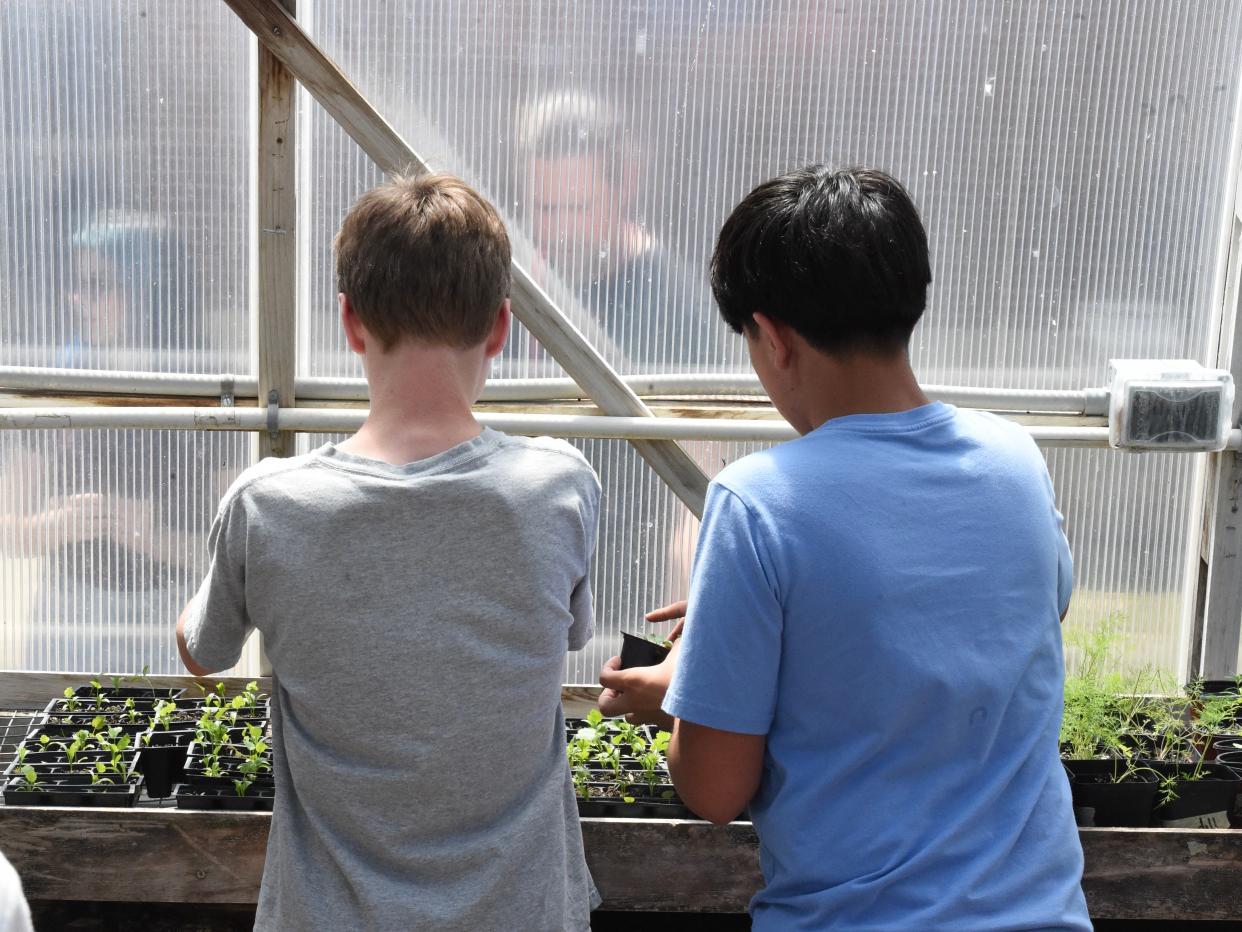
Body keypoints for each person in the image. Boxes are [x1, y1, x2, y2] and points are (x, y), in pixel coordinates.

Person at [598, 165, 1091, 930]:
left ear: (773, 338)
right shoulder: (1015, 461)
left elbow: (716, 791)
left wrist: (686, 688)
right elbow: (997, 615)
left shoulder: (757, 503)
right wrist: (773, 618)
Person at [175, 173, 602, 930]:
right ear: (501, 327)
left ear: (349, 320)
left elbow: (201, 652)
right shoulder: (558, 488)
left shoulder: (268, 504)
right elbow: (571, 638)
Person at [0, 213, 245, 673]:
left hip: (172, 618)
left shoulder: (203, 387)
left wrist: (153, 537)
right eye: (75, 284)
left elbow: (238, 553)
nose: (77, 300)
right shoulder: (62, 378)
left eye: (96, 286)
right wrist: (57, 524)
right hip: (69, 617)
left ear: (147, 287)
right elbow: (6, 530)